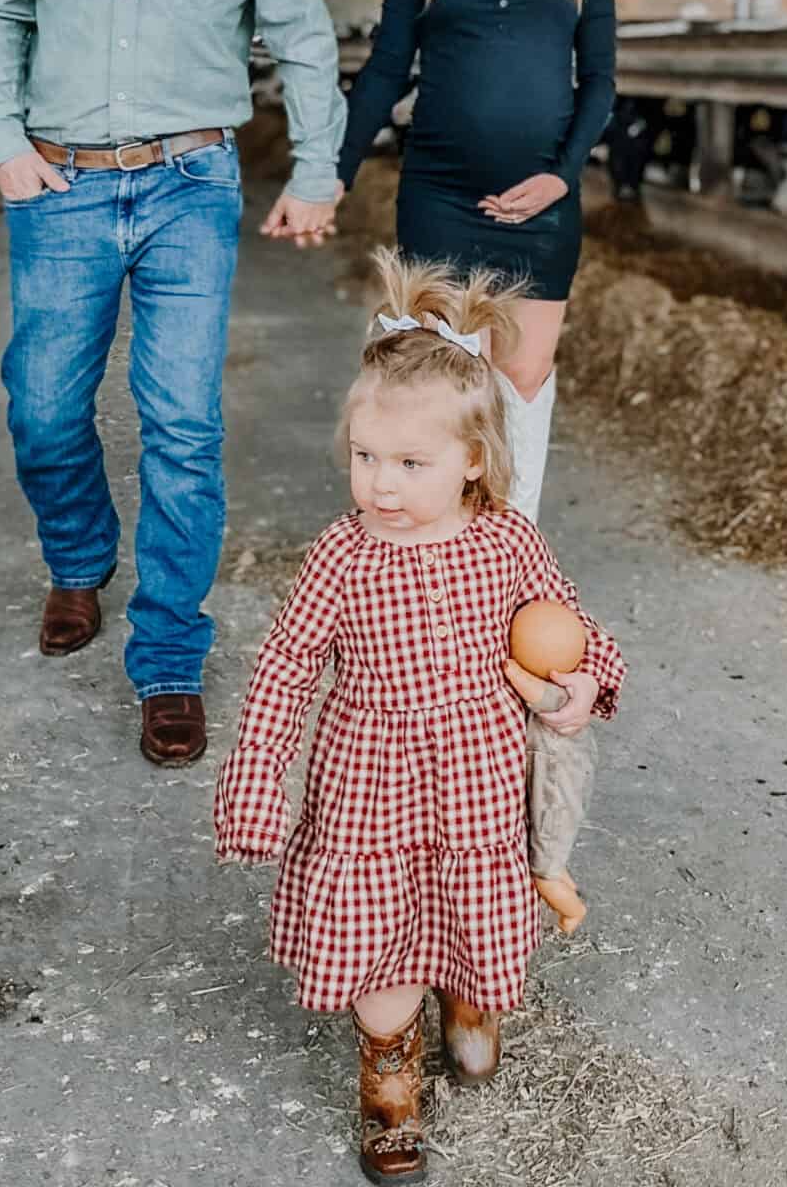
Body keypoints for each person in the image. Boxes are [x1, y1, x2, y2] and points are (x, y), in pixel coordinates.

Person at [0, 0, 345, 768]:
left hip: (190, 182)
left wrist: (314, 168)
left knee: (182, 425)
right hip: (61, 178)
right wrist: (3, 146)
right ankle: (78, 558)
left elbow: (300, 32)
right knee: (41, 407)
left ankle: (169, 656)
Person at [213, 250, 623, 1183]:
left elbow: (570, 625)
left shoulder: (508, 539)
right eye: (365, 459)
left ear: (474, 460)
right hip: (369, 780)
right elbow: (282, 670)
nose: (381, 485)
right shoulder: (340, 556)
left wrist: (583, 687)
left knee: (473, 909)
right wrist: (255, 780)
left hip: (478, 774)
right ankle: (390, 1073)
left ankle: (472, 999)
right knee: (384, 930)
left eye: (408, 463)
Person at [335, 0, 615, 525]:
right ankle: (427, 561)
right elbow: (387, 70)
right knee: (433, 387)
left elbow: (599, 82)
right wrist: (334, 171)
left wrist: (563, 174)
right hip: (439, 195)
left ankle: (509, 562)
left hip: (541, 206)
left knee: (521, 388)